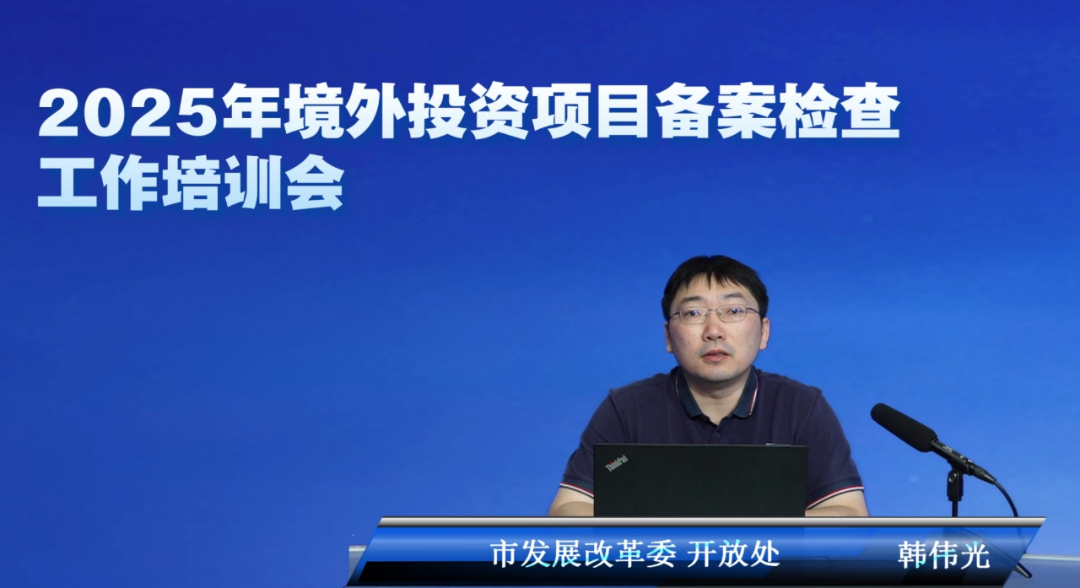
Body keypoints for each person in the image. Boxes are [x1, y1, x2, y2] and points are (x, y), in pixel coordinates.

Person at [548, 255, 868, 517]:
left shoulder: (801, 407)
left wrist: (749, 530)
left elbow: (849, 515)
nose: (714, 330)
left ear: (764, 331)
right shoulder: (627, 409)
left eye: (733, 311)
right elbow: (567, 510)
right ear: (668, 336)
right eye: (694, 313)